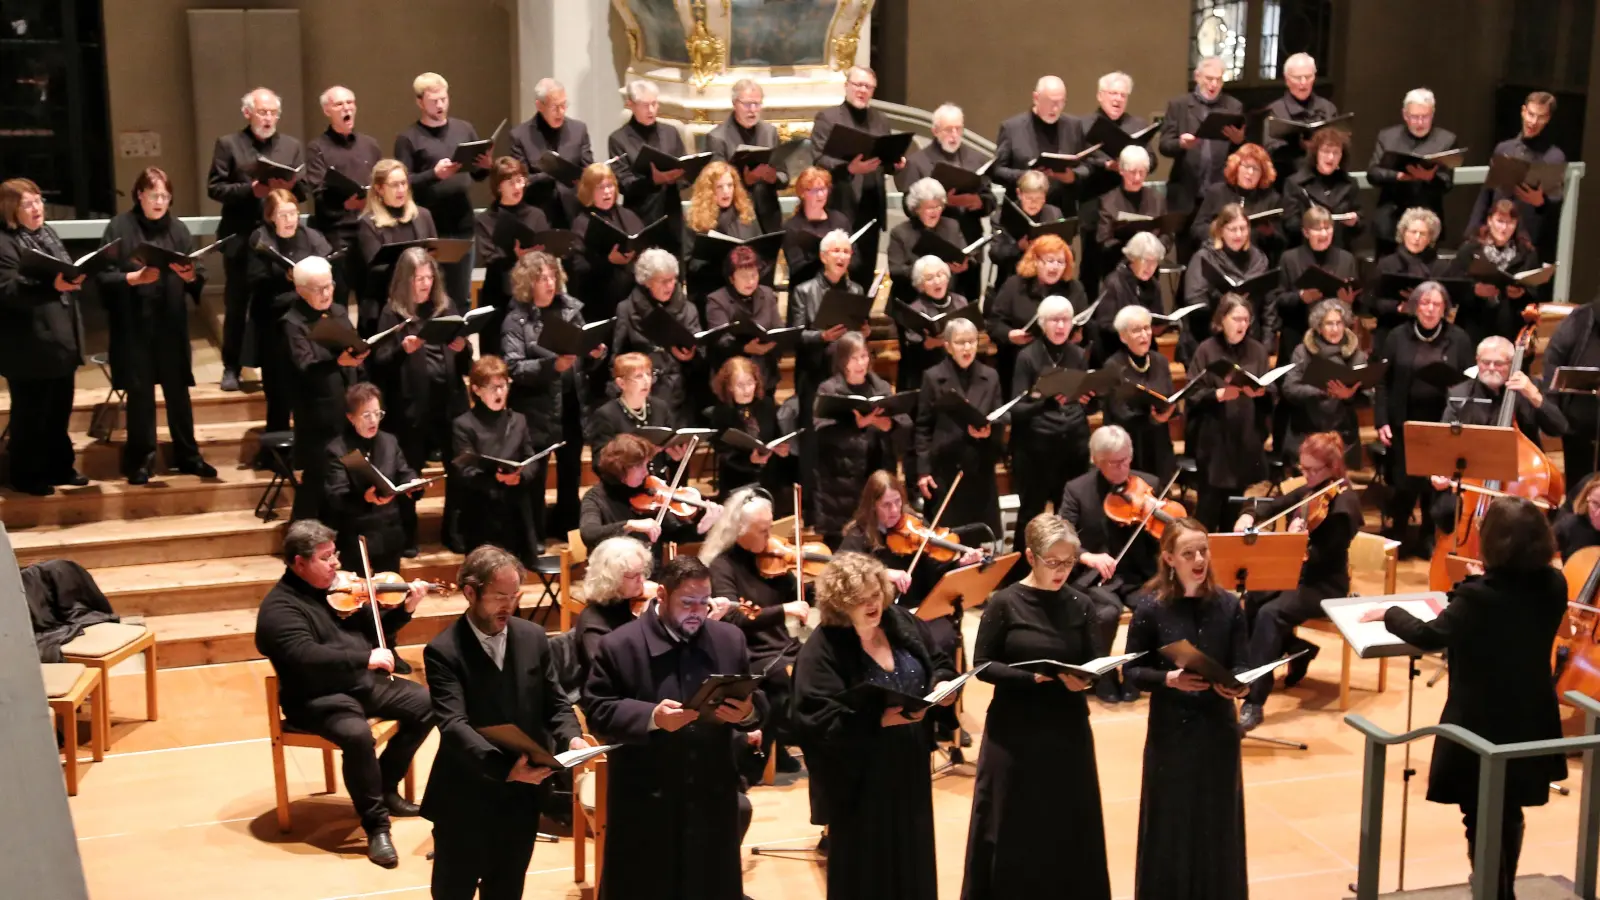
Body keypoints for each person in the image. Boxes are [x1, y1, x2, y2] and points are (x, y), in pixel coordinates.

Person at [1360, 497, 1567, 899]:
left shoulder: (1478, 598)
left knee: (1479, 810)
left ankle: (1493, 889)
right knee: (1509, 807)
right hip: (1531, 713)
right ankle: (1498, 886)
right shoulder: (1554, 584)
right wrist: (1481, 580)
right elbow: (1512, 605)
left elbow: (1430, 634)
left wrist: (1389, 613)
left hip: (1482, 718)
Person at [254, 519, 435, 869]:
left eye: (334, 553)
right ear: (299, 562)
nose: (336, 563)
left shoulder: (337, 594)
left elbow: (373, 629)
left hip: (358, 685)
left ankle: (383, 785)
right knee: (356, 736)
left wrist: (406, 608)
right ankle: (376, 827)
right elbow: (305, 656)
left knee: (428, 704)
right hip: (316, 697)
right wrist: (362, 658)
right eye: (325, 557)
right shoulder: (280, 609)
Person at [582, 555, 764, 900]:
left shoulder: (729, 640)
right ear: (662, 596)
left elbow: (757, 700)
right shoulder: (620, 645)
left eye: (704, 602)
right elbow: (599, 711)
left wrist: (745, 713)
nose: (697, 611)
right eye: (687, 602)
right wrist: (652, 717)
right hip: (646, 799)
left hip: (711, 794)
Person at [961, 513, 1112, 900]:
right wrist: (1030, 679)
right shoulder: (1005, 603)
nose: (1062, 570)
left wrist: (1089, 680)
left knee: (1066, 823)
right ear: (1031, 556)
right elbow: (983, 666)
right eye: (1053, 562)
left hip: (1066, 730)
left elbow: (1096, 661)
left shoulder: (1082, 604)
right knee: (1011, 823)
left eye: (1069, 562)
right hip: (1014, 733)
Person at [422, 545, 586, 900]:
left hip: (520, 799)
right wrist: (507, 769)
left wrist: (572, 738)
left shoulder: (532, 637)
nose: (508, 606)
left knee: (507, 891)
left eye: (514, 596)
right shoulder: (443, 651)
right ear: (470, 592)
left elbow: (555, 701)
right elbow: (453, 724)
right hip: (467, 794)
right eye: (499, 597)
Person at [791, 552, 955, 900]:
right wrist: (876, 719)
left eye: (875, 595)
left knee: (912, 859)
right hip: (860, 780)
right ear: (839, 604)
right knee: (868, 873)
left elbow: (938, 660)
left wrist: (943, 684)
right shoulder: (822, 648)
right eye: (860, 600)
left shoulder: (899, 622)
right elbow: (814, 720)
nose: (872, 605)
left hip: (910, 765)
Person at [1123, 519, 1249, 899]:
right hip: (1171, 732)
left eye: (1204, 551)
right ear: (1169, 558)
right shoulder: (1150, 607)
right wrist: (1168, 680)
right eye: (1189, 553)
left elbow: (1242, 663)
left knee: (1217, 818)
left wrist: (1238, 683)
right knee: (1171, 823)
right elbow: (1131, 671)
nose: (1199, 560)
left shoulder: (1229, 605)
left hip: (1217, 730)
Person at [1232, 432, 1364, 731]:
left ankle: (1254, 702)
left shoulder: (1345, 505)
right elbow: (1272, 505)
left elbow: (1324, 555)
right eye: (1303, 468)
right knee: (1251, 598)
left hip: (1324, 584)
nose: (1306, 475)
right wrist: (1249, 515)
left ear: (1333, 467)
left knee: (1270, 613)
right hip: (1296, 575)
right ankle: (1295, 648)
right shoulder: (1310, 491)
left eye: (1313, 470)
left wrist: (1298, 540)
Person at [96, 167, 215, 483]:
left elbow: (197, 268)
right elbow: (103, 276)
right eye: (154, 195)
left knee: (178, 394)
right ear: (140, 195)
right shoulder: (119, 227)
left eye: (165, 196)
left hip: (171, 324)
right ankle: (140, 460)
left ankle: (188, 456)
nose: (160, 201)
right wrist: (132, 278)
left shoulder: (178, 229)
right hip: (134, 326)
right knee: (140, 396)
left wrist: (191, 276)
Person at [370, 247, 471, 553]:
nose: (426, 284)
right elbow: (378, 363)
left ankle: (453, 532)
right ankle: (407, 535)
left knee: (459, 470)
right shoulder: (392, 313)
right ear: (405, 280)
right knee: (409, 470)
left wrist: (461, 347)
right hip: (411, 408)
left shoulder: (445, 306)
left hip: (450, 402)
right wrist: (404, 350)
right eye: (418, 279)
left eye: (429, 277)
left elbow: (465, 363)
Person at [700, 489, 809, 770]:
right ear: (740, 531)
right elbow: (734, 619)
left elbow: (799, 590)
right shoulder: (721, 566)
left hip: (782, 645)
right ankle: (770, 749)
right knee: (782, 682)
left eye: (770, 527)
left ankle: (790, 742)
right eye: (762, 530)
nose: (769, 536)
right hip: (750, 651)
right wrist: (784, 610)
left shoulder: (772, 559)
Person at [208, 87, 307, 392]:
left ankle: (274, 366)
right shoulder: (229, 144)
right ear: (247, 113)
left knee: (274, 305)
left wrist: (286, 187)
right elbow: (215, 188)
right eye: (262, 112)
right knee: (237, 306)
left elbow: (304, 192)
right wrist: (250, 190)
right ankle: (231, 367)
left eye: (273, 113)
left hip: (278, 239)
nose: (268, 118)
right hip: (240, 237)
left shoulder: (291, 146)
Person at [502, 251, 606, 537]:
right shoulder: (516, 320)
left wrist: (595, 353)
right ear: (528, 283)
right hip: (537, 408)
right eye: (542, 278)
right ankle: (533, 534)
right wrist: (551, 366)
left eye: (553, 277)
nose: (550, 283)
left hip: (572, 404)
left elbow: (583, 349)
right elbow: (513, 366)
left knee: (571, 471)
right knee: (535, 477)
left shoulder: (571, 309)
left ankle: (567, 528)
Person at [1058, 424, 1164, 702]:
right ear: (1097, 460)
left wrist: (1161, 517)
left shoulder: (1148, 485)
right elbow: (1062, 535)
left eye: (1127, 460)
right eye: (1115, 463)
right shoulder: (1077, 490)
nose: (1123, 468)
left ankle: (1134, 673)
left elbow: (1172, 536)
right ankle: (1102, 674)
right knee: (1107, 612)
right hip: (1094, 577)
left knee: (1150, 607)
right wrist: (1087, 556)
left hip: (1139, 574)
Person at [1373, 282, 1475, 557]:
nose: (1430, 309)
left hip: (1444, 422)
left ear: (1445, 309)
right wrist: (1381, 420)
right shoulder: (1397, 336)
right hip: (1404, 421)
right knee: (1404, 482)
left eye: (1437, 304)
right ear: (1415, 306)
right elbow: (1382, 382)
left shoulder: (1459, 339)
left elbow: (1469, 381)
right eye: (1425, 303)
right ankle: (1399, 534)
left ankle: (1430, 536)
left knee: (1436, 482)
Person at [0, 178, 87, 495]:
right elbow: (7, 290)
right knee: (31, 415)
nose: (37, 209)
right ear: (11, 209)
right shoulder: (5, 243)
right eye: (28, 204)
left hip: (60, 341)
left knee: (58, 411)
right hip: (29, 345)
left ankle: (59, 466)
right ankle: (26, 475)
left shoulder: (47, 235)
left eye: (39, 201)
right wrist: (51, 286)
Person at [1428, 335, 1568, 532]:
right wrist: (1439, 471)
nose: (1491, 367)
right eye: (1486, 362)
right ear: (1477, 362)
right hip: (1472, 484)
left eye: (1499, 363)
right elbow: (1444, 442)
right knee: (1444, 508)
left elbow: (1559, 427)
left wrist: (1533, 395)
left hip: (1517, 485)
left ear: (1512, 364)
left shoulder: (1528, 390)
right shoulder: (1459, 394)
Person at [393, 72, 491, 311]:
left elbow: (478, 174)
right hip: (428, 226)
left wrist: (486, 166)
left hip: (462, 222)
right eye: (433, 100)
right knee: (428, 293)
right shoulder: (408, 138)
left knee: (461, 294)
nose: (440, 105)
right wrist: (434, 175)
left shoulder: (464, 129)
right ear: (419, 102)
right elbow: (403, 183)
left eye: (444, 99)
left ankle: (458, 346)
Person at [790, 228, 868, 512]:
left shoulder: (856, 290)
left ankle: (850, 507)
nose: (842, 256)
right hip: (815, 375)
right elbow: (796, 335)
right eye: (836, 251)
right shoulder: (803, 290)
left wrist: (862, 332)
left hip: (846, 379)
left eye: (846, 251)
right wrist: (822, 337)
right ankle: (814, 509)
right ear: (823, 256)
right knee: (815, 443)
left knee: (845, 440)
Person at [1010, 294, 1092, 557]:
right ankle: (1021, 570)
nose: (1060, 326)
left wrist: (1089, 398)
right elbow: (1017, 409)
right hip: (1037, 449)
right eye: (1054, 320)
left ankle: (1066, 565)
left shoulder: (1078, 354)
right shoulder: (1027, 357)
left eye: (1066, 320)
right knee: (1031, 513)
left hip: (1072, 446)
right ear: (1043, 323)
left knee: (1067, 514)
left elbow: (1083, 402)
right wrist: (1043, 403)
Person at [284, 257, 366, 522]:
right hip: (316, 416)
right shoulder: (293, 322)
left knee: (346, 479)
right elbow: (303, 366)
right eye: (318, 289)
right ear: (300, 290)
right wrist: (336, 361)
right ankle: (304, 541)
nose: (327, 293)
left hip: (347, 408)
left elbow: (353, 345)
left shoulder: (339, 312)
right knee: (316, 482)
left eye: (329, 286)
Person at [248, 189, 333, 435]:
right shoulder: (261, 239)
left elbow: (328, 264)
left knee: (309, 387)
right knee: (278, 392)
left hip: (308, 325)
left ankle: (309, 444)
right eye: (283, 215)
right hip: (274, 326)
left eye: (293, 213)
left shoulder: (311, 237)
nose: (290, 220)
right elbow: (255, 283)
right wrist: (292, 283)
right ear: (270, 217)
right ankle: (278, 450)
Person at [1186, 295, 1272, 531]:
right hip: (1215, 443)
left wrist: (1261, 393)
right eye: (1236, 319)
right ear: (1222, 319)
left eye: (1246, 319)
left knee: (1239, 513)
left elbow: (1270, 389)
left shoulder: (1257, 350)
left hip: (1246, 440)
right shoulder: (1206, 350)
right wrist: (1218, 395)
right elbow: (1192, 393)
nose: (1242, 324)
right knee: (1209, 510)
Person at [814, 333, 908, 542]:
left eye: (864, 356)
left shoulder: (881, 387)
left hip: (876, 476)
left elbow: (905, 427)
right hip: (840, 487)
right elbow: (821, 435)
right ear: (842, 361)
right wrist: (856, 424)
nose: (860, 363)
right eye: (853, 358)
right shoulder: (828, 389)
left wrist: (889, 425)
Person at [916, 318, 1005, 537]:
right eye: (960, 342)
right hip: (946, 470)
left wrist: (989, 432)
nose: (967, 348)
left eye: (971, 342)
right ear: (947, 345)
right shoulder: (933, 377)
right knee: (948, 542)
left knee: (981, 543)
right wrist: (923, 471)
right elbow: (923, 426)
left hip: (979, 470)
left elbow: (1000, 417)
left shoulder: (990, 376)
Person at [812, 65, 900, 286]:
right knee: (838, 273)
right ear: (846, 86)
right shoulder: (828, 118)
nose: (863, 90)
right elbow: (819, 159)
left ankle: (861, 319)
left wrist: (895, 163)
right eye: (858, 85)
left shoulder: (881, 120)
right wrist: (849, 169)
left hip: (871, 206)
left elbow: (883, 161)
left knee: (866, 272)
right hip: (841, 205)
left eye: (868, 86)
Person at [896, 103, 992, 300]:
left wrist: (977, 202)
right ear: (935, 130)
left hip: (968, 242)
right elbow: (908, 205)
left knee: (968, 302)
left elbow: (990, 201)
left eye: (959, 128)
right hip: (933, 244)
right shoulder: (919, 162)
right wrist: (942, 202)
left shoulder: (976, 159)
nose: (954, 134)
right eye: (949, 129)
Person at [451, 356, 543, 563]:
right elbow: (464, 470)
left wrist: (520, 477)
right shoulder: (464, 424)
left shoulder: (518, 420)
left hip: (515, 508)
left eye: (503, 386)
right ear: (476, 390)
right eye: (493, 388)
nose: (500, 393)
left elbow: (530, 458)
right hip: (481, 510)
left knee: (515, 571)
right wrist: (496, 480)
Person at [323, 381, 418, 578]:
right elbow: (336, 495)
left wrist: (413, 484)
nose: (373, 420)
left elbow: (404, 471)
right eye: (366, 415)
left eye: (378, 413)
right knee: (360, 596)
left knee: (391, 593)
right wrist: (364, 498)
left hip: (389, 532)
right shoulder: (337, 449)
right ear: (351, 417)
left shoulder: (389, 441)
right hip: (357, 536)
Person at [1076, 71, 1153, 298]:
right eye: (1112, 94)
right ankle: (1089, 323)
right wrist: (1105, 164)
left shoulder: (1136, 124)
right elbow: (1078, 158)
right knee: (1091, 265)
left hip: (1128, 205)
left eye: (1123, 95)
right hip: (1093, 202)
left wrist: (1135, 163)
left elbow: (1153, 160)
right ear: (1100, 96)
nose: (1118, 99)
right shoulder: (1084, 124)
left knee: (1126, 265)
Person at [305, 85, 383, 305]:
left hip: (370, 228)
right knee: (338, 297)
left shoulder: (370, 145)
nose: (346, 108)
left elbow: (381, 182)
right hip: (337, 231)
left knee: (370, 298)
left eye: (350, 102)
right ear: (327, 111)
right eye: (339, 104)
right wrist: (344, 204)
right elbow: (318, 191)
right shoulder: (317, 147)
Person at [578, 432, 715, 554]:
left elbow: (673, 534)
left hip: (649, 574)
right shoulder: (595, 497)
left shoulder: (650, 492)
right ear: (619, 468)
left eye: (646, 464)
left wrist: (699, 529)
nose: (646, 472)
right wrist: (629, 525)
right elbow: (589, 534)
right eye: (639, 466)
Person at [1465, 91, 1564, 259]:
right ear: (1523, 111)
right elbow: (1486, 194)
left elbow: (1555, 207)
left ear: (1547, 119)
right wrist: (1472, 231)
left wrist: (1541, 202)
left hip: (1527, 241)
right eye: (1531, 114)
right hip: (1494, 236)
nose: (1533, 122)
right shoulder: (1504, 149)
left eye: (1540, 117)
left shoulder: (1554, 157)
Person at [986, 233, 1087, 396]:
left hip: (1062, 359)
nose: (1055, 267)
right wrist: (1010, 335)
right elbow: (993, 324)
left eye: (1060, 262)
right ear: (1035, 261)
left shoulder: (1074, 288)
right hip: (1021, 359)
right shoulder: (1014, 285)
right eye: (1049, 261)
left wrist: (1079, 334)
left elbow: (1083, 322)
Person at [613, 248, 706, 422]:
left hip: (679, 395)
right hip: (640, 396)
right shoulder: (626, 309)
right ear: (647, 282)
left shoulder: (688, 309)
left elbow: (701, 355)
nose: (670, 286)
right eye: (663, 281)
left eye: (673, 280)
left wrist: (690, 356)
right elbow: (618, 357)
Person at [1158, 57, 1246, 231]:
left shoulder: (1234, 106)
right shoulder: (1179, 105)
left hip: (1220, 192)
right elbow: (1164, 145)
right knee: (1184, 248)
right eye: (1209, 79)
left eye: (1219, 80)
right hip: (1186, 191)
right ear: (1197, 77)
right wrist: (1181, 144)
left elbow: (1242, 153)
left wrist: (1239, 142)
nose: (1213, 84)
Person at [1279, 298, 1369, 467]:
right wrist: (1322, 390)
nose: (1335, 329)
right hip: (1307, 430)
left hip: (1343, 433)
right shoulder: (1303, 352)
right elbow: (1289, 388)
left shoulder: (1357, 354)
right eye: (1329, 324)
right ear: (1319, 327)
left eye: (1339, 323)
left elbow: (1367, 395)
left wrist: (1349, 395)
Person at [1369, 88, 1458, 257]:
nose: (1420, 122)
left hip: (1427, 220)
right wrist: (1398, 176)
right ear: (1405, 115)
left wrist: (1430, 178)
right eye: (1414, 117)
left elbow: (1447, 182)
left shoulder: (1446, 140)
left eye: (1425, 117)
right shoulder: (1387, 136)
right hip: (1390, 220)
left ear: (1433, 114)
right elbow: (1373, 173)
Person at [356, 159, 438, 336]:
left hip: (420, 304)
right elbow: (374, 269)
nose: (401, 190)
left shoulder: (423, 215)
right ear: (379, 189)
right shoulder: (368, 224)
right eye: (394, 185)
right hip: (385, 305)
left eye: (403, 183)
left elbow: (434, 259)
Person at [1270, 206, 1362, 364]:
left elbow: (1359, 303)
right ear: (1306, 232)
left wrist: (1348, 301)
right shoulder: (1290, 258)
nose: (1324, 234)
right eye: (1317, 230)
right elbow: (1278, 300)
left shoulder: (1346, 259)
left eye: (1328, 228)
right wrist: (1301, 297)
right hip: (1298, 334)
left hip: (1336, 339)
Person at [608, 80, 689, 258]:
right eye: (645, 105)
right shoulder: (618, 139)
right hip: (640, 218)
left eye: (654, 103)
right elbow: (623, 183)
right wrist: (653, 181)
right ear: (631, 104)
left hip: (672, 217)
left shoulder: (671, 132)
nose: (651, 110)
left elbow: (685, 169)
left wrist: (681, 176)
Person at [473, 156, 551, 342]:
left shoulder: (536, 215)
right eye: (510, 182)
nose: (518, 187)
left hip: (533, 292)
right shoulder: (485, 219)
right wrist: (514, 256)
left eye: (520, 180)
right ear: (498, 186)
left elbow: (547, 253)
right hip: (498, 292)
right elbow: (488, 256)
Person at [1182, 203, 1271, 362]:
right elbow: (1194, 301)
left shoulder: (1258, 258)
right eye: (1232, 229)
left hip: (1249, 338)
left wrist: (1267, 341)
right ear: (1221, 230)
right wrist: (1224, 299)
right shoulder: (1204, 257)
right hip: (1210, 339)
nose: (1239, 234)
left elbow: (1268, 303)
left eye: (1243, 229)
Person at [992, 75, 1091, 217]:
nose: (1055, 108)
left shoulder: (1073, 125)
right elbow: (997, 171)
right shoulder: (1012, 128)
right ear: (1036, 98)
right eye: (1050, 102)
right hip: (1021, 214)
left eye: (1060, 102)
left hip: (1062, 211)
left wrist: (1072, 176)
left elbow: (1087, 165)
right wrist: (1026, 176)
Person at [1447, 199, 1542, 346]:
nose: (1504, 228)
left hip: (1510, 328)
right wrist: (1474, 290)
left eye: (1510, 222)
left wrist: (1522, 294)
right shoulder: (1470, 250)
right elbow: (1452, 287)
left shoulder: (1526, 252)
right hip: (1474, 327)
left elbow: (1535, 294)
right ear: (1489, 221)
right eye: (1500, 221)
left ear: (1516, 224)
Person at [1103, 305, 1178, 483]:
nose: (1144, 335)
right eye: (1136, 330)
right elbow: (1119, 412)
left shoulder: (1159, 361)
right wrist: (1152, 419)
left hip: (1158, 443)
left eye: (1146, 328)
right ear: (1123, 336)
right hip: (1128, 447)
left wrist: (1169, 411)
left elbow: (1169, 397)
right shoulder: (1113, 366)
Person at [569, 162, 650, 324]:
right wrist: (608, 261)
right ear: (589, 191)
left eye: (610, 186)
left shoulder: (628, 215)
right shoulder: (582, 222)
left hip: (632, 297)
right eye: (600, 187)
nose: (607, 192)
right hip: (599, 300)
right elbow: (578, 266)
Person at [508, 77, 593, 229]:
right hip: (539, 215)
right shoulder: (520, 136)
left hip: (575, 214)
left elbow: (588, 168)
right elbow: (521, 180)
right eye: (555, 107)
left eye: (564, 105)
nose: (561, 112)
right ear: (539, 106)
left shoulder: (578, 130)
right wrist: (551, 174)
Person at [705, 79, 787, 234]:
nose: (753, 110)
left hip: (768, 216)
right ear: (735, 103)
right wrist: (744, 181)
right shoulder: (717, 137)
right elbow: (715, 183)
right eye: (748, 104)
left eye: (757, 104)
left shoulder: (770, 132)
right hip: (734, 219)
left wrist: (774, 178)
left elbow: (784, 176)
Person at [1367, 206, 1451, 354]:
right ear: (1403, 233)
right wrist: (1399, 308)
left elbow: (1448, 305)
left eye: (1423, 234)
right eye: (1413, 232)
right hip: (1391, 328)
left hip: (1430, 334)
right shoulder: (1387, 264)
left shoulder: (1440, 267)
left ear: (1431, 238)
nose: (1417, 238)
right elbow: (1372, 302)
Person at [706, 357, 792, 501]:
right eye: (740, 385)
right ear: (729, 387)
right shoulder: (722, 412)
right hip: (737, 481)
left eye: (750, 383)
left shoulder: (766, 404)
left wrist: (781, 449)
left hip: (768, 478)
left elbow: (776, 435)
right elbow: (724, 452)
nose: (746, 390)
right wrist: (749, 460)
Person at [1542, 295, 1600, 502]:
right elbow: (1553, 358)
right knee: (1579, 493)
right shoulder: (1580, 319)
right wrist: (1554, 411)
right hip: (1579, 430)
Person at [572, 536, 655, 682]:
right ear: (611, 578)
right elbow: (614, 677)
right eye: (634, 575)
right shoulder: (594, 626)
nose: (642, 580)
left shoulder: (630, 604)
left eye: (642, 573)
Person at [1188, 142, 1284, 265]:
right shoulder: (1217, 192)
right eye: (1246, 166)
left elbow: (1281, 243)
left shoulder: (1271, 199)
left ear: (1263, 174)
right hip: (1217, 259)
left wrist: (1270, 234)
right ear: (1237, 167)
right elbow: (1197, 229)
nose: (1250, 173)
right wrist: (1221, 233)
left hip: (1254, 263)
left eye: (1256, 169)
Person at [684, 160, 762, 310]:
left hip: (744, 291)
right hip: (711, 292)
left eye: (730, 185)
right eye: (719, 187)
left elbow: (759, 250)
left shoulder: (746, 214)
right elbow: (689, 264)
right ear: (709, 191)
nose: (726, 191)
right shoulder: (696, 220)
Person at [704, 245, 783, 392]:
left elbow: (778, 327)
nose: (751, 281)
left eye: (754, 275)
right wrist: (744, 348)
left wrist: (773, 343)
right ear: (731, 278)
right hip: (732, 377)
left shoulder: (767, 294)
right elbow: (719, 340)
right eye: (744, 276)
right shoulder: (717, 300)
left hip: (764, 374)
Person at [1093, 145, 1166, 292]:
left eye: (1142, 172)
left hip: (1150, 270)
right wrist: (1134, 251)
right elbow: (1103, 240)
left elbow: (1166, 234)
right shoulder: (1108, 201)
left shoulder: (1156, 198)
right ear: (1121, 170)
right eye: (1132, 172)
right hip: (1118, 271)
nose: (1137, 178)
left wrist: (1155, 251)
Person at [896, 254, 972, 395]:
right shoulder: (915, 309)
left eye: (940, 275)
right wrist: (928, 344)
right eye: (929, 278)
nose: (937, 281)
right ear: (921, 284)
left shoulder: (960, 302)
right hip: (929, 372)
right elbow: (912, 355)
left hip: (961, 367)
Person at [887, 177, 970, 305]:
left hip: (947, 297)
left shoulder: (952, 225)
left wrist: (963, 264)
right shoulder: (900, 232)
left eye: (938, 206)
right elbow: (895, 270)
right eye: (929, 208)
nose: (935, 212)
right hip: (911, 298)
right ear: (916, 209)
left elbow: (964, 253)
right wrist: (927, 271)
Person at [583, 352, 676, 463]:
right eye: (638, 376)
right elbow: (600, 461)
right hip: (623, 479)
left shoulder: (660, 408)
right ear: (621, 383)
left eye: (649, 374)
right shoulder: (607, 414)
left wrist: (675, 456)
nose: (647, 381)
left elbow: (669, 452)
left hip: (658, 479)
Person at [1092, 231, 1166, 365]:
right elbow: (1104, 324)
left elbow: (1158, 317)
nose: (1150, 267)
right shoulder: (1113, 282)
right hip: (1116, 352)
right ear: (1133, 258)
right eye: (1146, 261)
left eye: (1154, 262)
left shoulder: (1154, 285)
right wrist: (1132, 330)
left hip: (1145, 350)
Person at [1282, 127, 1363, 250]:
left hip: (1339, 251)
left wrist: (1355, 221)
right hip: (1305, 251)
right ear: (1316, 153)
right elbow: (1290, 225)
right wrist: (1313, 227)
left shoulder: (1350, 183)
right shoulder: (1295, 183)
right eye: (1325, 151)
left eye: (1336, 152)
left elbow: (1361, 224)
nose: (1330, 158)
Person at [1261, 52, 1339, 178]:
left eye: (1308, 77)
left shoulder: (1328, 108)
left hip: (1322, 178)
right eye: (1297, 78)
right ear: (1287, 80)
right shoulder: (1274, 110)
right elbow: (1269, 150)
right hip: (1286, 178)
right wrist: (1298, 145)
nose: (1303, 82)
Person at [779, 166, 851, 291]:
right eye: (814, 190)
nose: (821, 194)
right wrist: (830, 257)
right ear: (802, 193)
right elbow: (797, 267)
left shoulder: (840, 220)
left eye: (824, 189)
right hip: (805, 293)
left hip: (837, 289)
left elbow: (856, 261)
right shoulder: (792, 227)